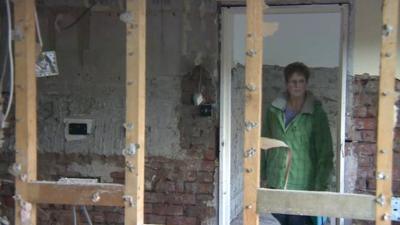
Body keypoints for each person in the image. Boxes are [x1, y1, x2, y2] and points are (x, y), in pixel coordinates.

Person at [261, 62, 334, 225]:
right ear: (287, 84)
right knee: (278, 218)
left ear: (306, 84)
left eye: (301, 81)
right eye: (293, 81)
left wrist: (321, 187)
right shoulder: (274, 110)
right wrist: (262, 174)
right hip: (276, 180)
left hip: (303, 182)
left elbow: (325, 152)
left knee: (298, 221)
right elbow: (263, 142)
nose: (297, 85)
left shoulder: (316, 113)